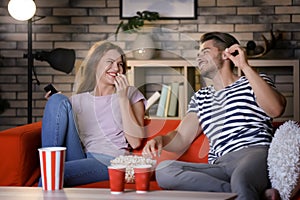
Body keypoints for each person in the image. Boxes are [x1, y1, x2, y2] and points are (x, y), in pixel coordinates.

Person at [142, 32, 286, 200]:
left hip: (253, 154)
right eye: (198, 54)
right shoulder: (201, 97)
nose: (199, 58)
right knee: (165, 171)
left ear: (227, 53)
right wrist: (161, 139)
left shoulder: (254, 81)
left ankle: (243, 190)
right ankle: (253, 195)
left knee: (241, 179)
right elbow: (181, 137)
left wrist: (245, 66)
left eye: (205, 51)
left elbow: (276, 109)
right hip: (220, 164)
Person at [39, 41, 146, 187]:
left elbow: (135, 141)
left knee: (53, 174)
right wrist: (56, 105)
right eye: (110, 62)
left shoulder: (130, 94)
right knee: (57, 99)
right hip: (79, 155)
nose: (116, 68)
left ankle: (49, 169)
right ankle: (49, 163)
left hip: (109, 159)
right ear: (96, 64)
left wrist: (122, 97)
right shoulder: (79, 99)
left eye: (120, 64)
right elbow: (61, 128)